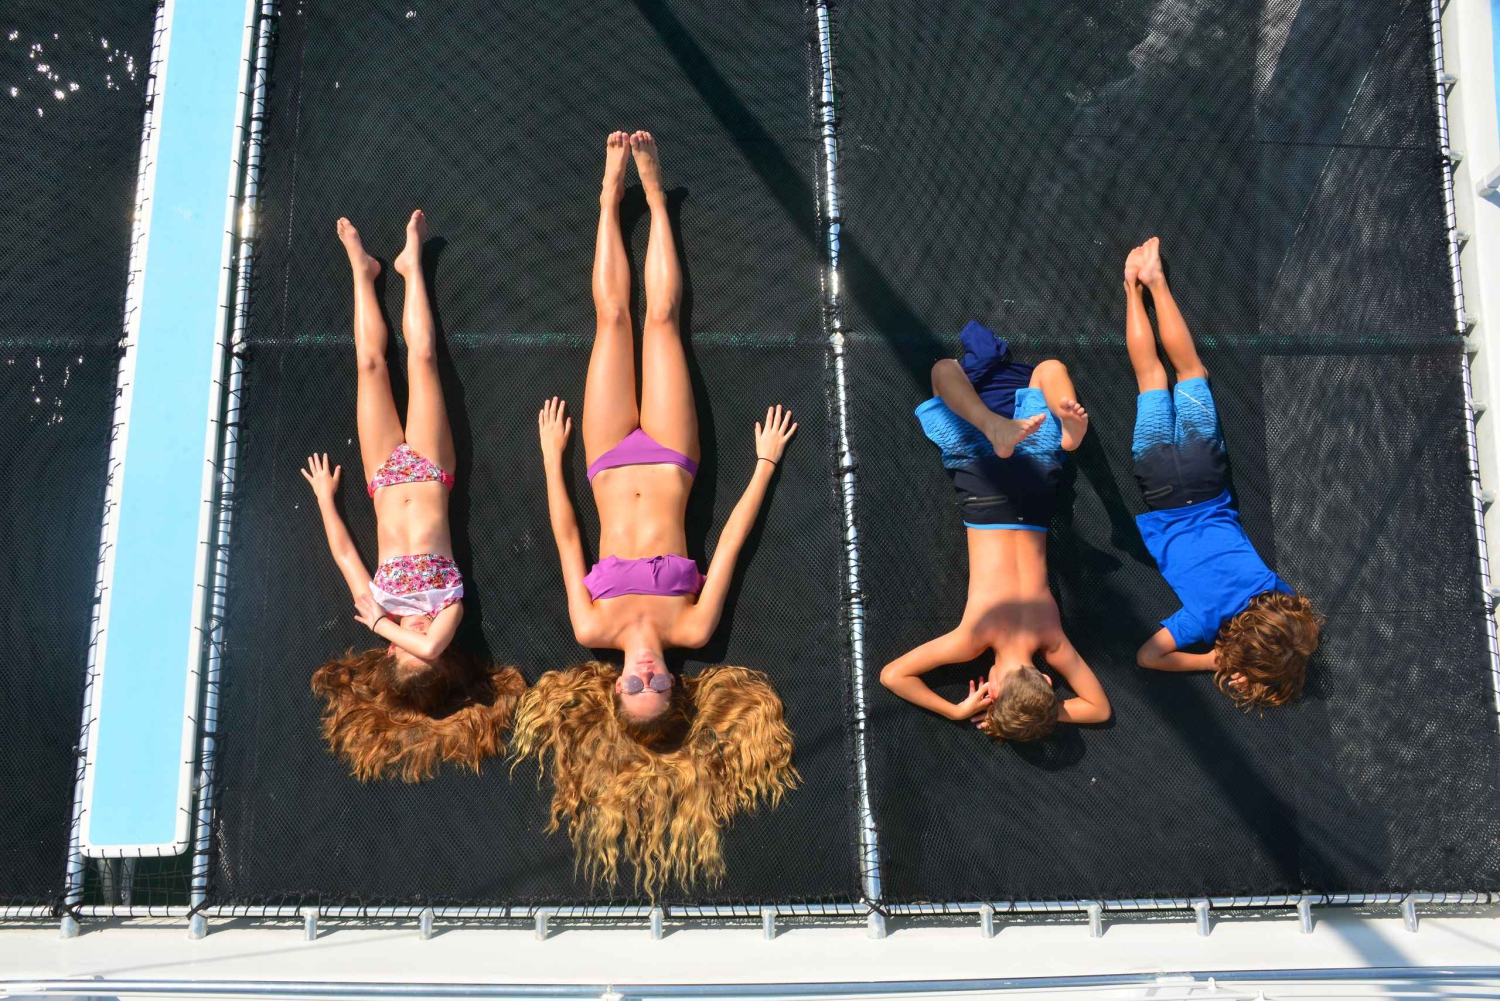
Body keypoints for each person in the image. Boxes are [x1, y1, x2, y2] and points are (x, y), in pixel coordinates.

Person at [515, 132, 798, 893]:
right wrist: (765, 464)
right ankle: (655, 196)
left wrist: (550, 456)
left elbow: (569, 535)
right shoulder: (691, 629)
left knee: (611, 318)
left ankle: (608, 199)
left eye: (633, 691)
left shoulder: (593, 627)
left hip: (606, 457)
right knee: (664, 320)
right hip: (671, 454)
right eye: (659, 689)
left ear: (615, 692)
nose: (645, 679)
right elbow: (731, 540)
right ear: (676, 687)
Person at [301, 211, 523, 782]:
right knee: (423, 362)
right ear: (441, 654)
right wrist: (383, 629)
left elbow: (348, 556)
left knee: (371, 364)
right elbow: (426, 643)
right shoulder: (446, 612)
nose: (416, 639)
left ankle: (363, 270)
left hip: (382, 475)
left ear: (391, 658)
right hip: (428, 470)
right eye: (424, 649)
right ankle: (410, 265)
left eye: (402, 649)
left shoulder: (381, 603)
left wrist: (328, 501)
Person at [879, 321, 1111, 741]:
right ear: (995, 687)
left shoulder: (1052, 641)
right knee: (943, 372)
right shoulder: (972, 638)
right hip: (981, 492)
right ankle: (988, 424)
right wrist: (954, 709)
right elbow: (893, 675)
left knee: (1048, 370)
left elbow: (1097, 708)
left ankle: (1062, 432)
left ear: (1044, 678)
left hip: (1035, 492)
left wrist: (1048, 711)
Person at [1122, 237, 1321, 707]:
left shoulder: (1276, 591)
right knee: (1150, 378)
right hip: (1161, 484)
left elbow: (1289, 643)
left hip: (1204, 473)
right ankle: (1131, 288)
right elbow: (1149, 657)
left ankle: (1154, 279)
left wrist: (1266, 658)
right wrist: (1217, 661)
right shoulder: (1204, 620)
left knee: (1189, 370)